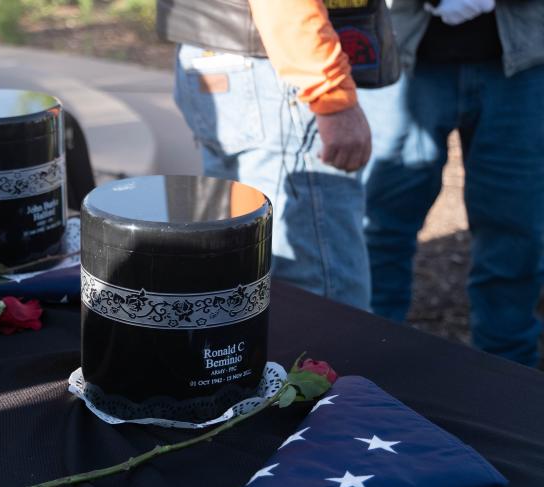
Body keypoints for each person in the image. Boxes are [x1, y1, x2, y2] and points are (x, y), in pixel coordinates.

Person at [360, 0, 544, 366]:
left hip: (522, 62)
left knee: (515, 229)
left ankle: (507, 373)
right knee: (381, 225)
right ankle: (369, 364)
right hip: (400, 53)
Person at [158, 0, 373, 309]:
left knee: (246, 267)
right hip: (273, 64)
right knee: (320, 287)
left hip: (222, 54)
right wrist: (332, 95)